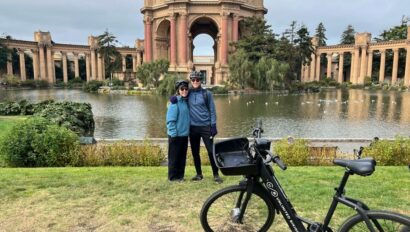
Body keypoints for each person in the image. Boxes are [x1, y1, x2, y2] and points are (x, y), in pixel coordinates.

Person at [187, 71, 222, 183]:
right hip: (193, 128)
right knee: (195, 152)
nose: (195, 82)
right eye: (193, 80)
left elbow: (212, 110)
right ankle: (199, 174)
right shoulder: (188, 93)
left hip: (206, 127)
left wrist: (213, 126)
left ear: (200, 80)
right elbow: (178, 98)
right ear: (191, 81)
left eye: (197, 80)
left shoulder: (207, 94)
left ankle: (216, 174)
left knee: (211, 151)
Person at [166, 80, 190, 182]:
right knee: (174, 158)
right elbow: (170, 120)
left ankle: (180, 176)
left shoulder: (185, 101)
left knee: (181, 158)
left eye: (186, 88)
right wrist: (173, 134)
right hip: (175, 135)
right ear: (178, 90)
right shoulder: (174, 102)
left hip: (184, 135)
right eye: (182, 89)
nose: (184, 90)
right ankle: (172, 177)